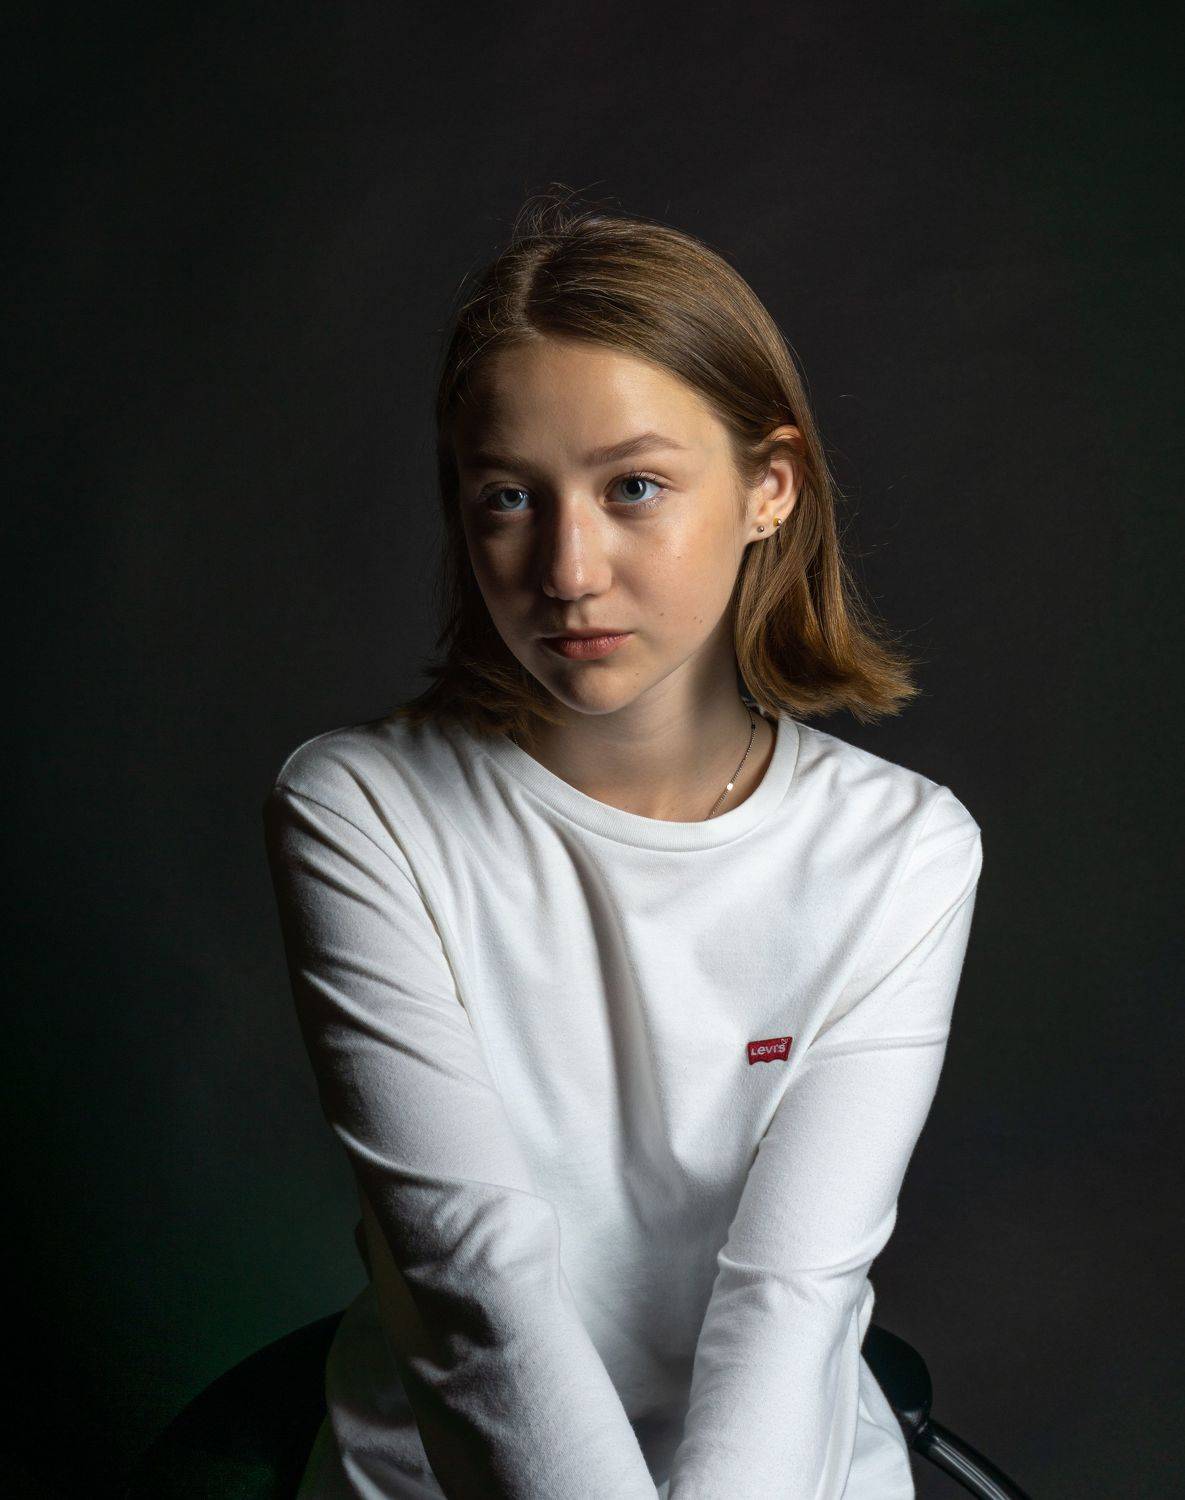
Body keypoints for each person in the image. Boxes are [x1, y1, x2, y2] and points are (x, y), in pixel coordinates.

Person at [262, 188, 984, 1500]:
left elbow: (790, 1293)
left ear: (769, 488)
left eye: (634, 486)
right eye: (506, 498)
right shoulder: (360, 810)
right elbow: (477, 1282)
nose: (567, 568)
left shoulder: (903, 851)